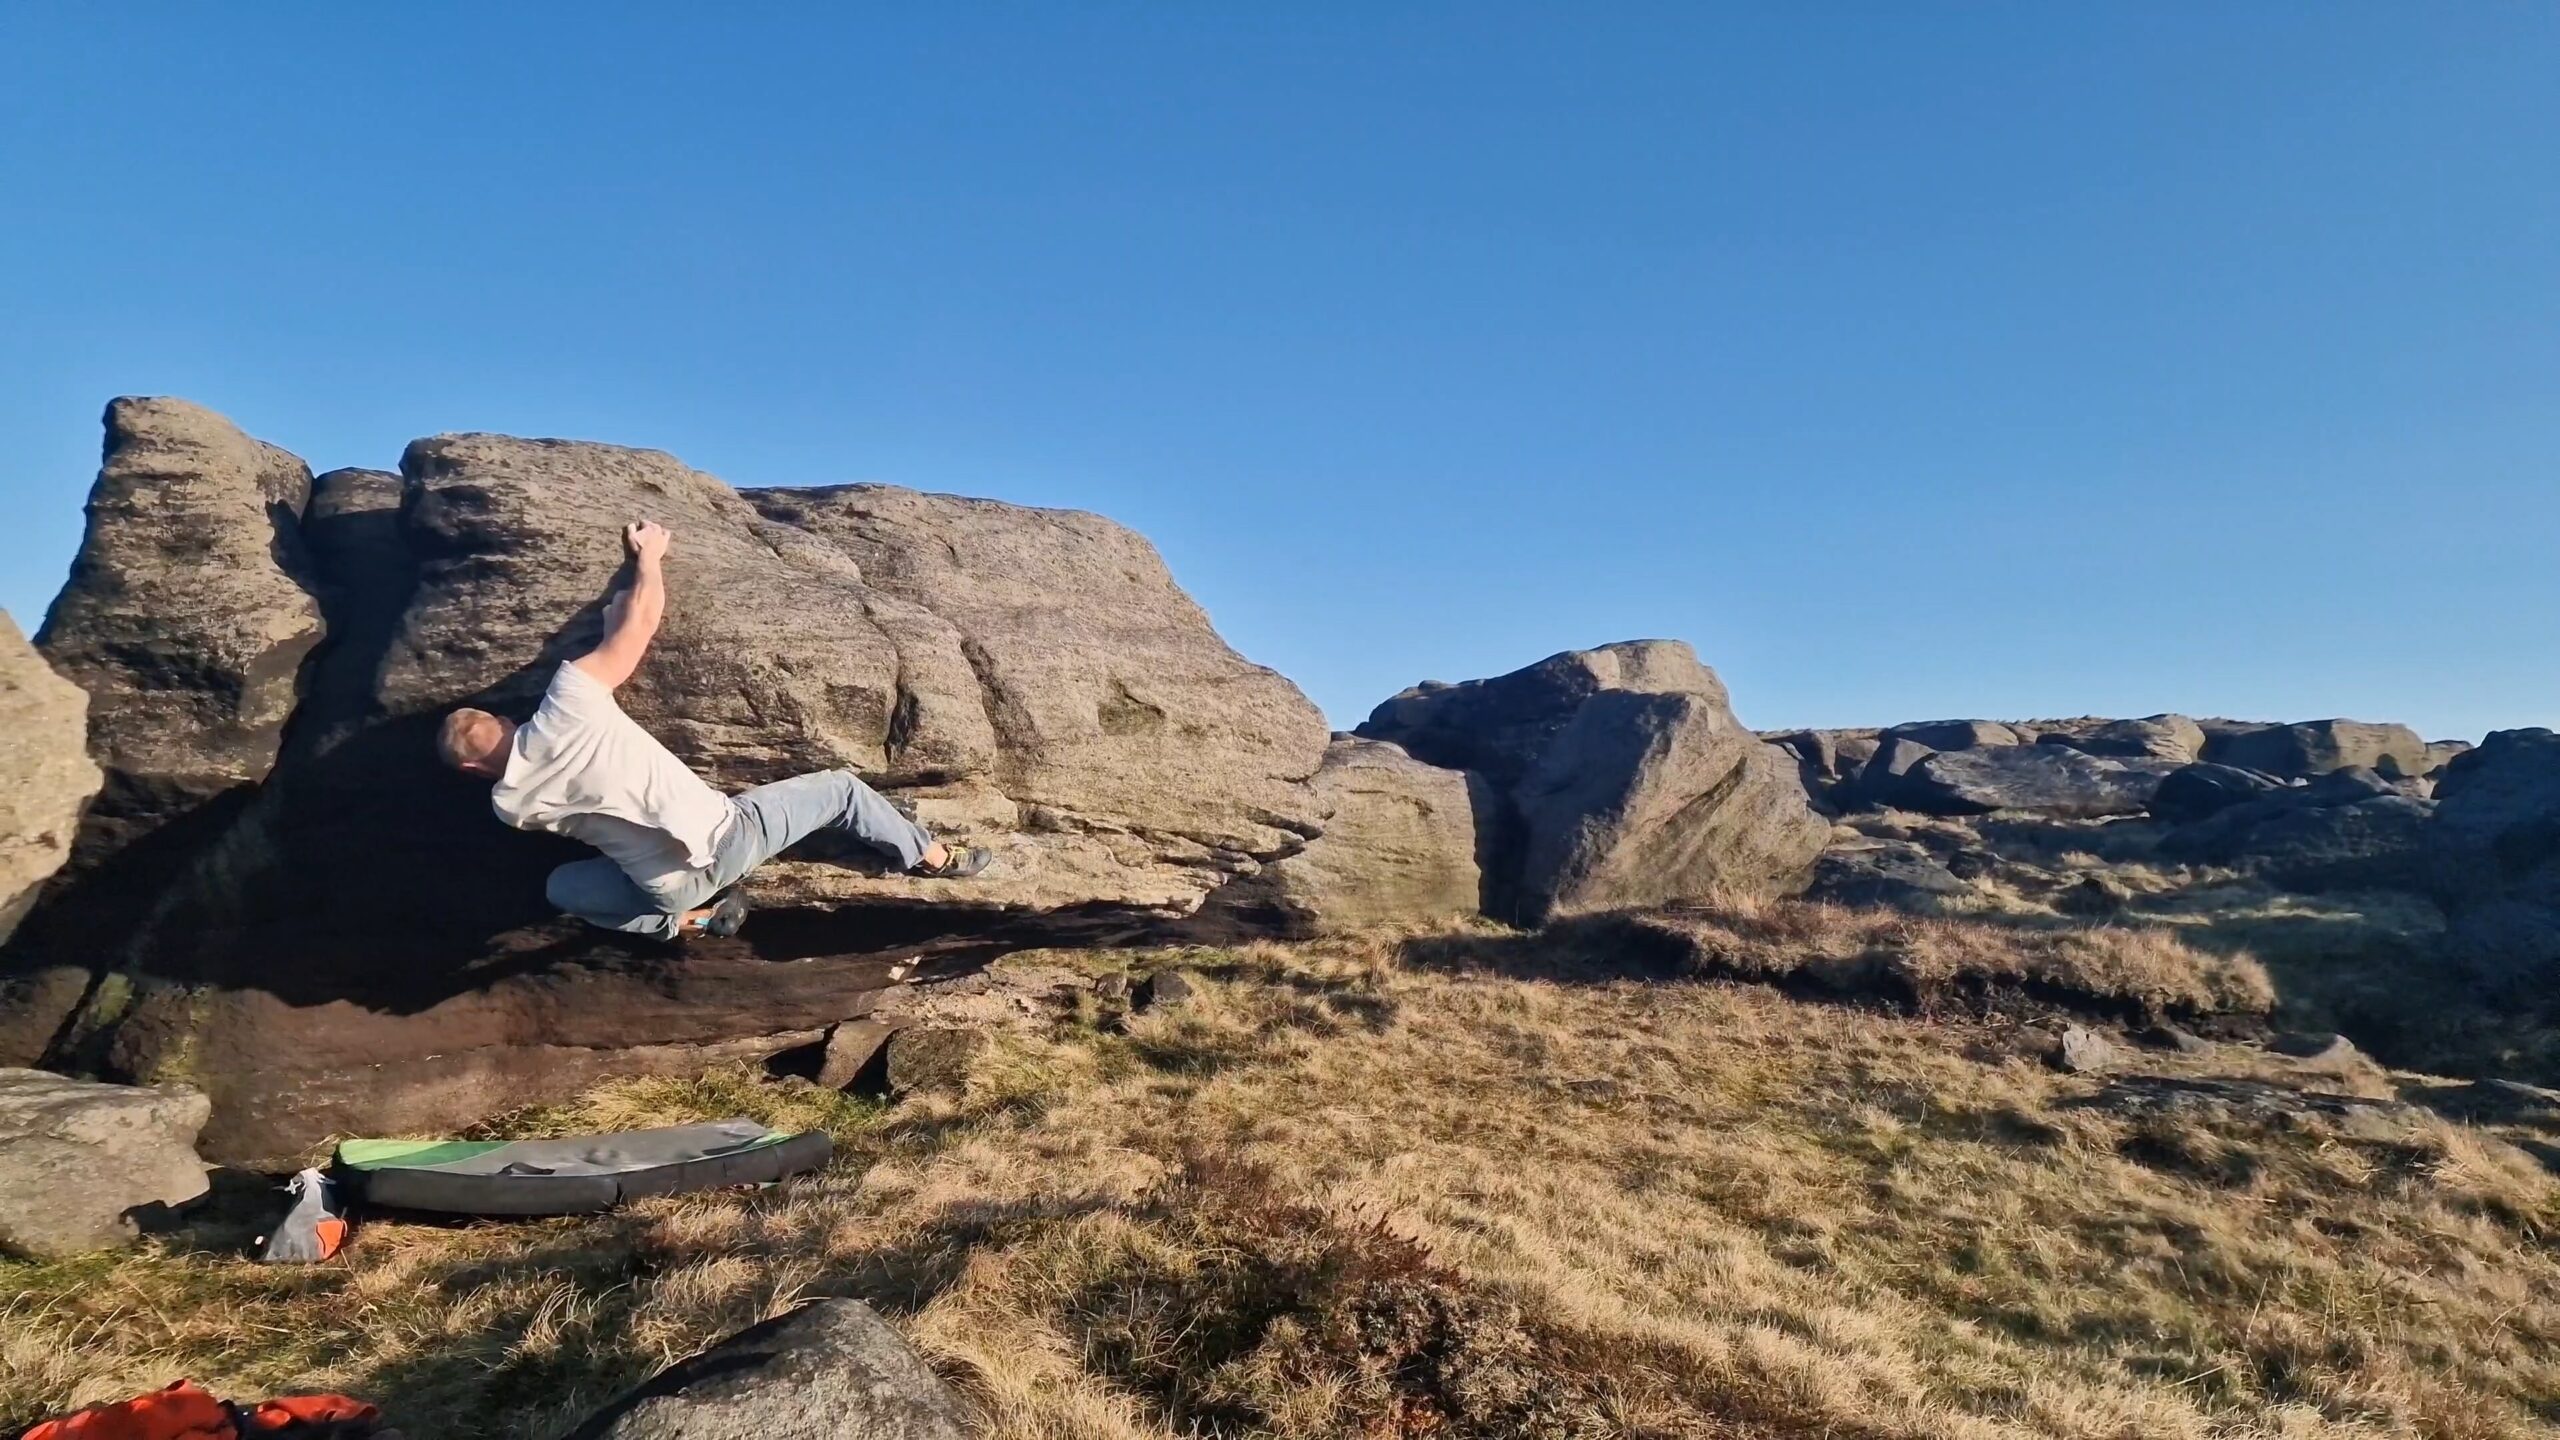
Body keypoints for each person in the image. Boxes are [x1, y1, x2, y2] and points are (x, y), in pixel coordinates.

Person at [435, 519, 992, 940]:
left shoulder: (510, 809)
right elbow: (640, 625)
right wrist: (648, 559)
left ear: (467, 772)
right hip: (730, 837)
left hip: (666, 888)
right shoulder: (569, 703)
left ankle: (695, 923)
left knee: (561, 889)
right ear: (505, 720)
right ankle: (936, 859)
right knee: (841, 790)